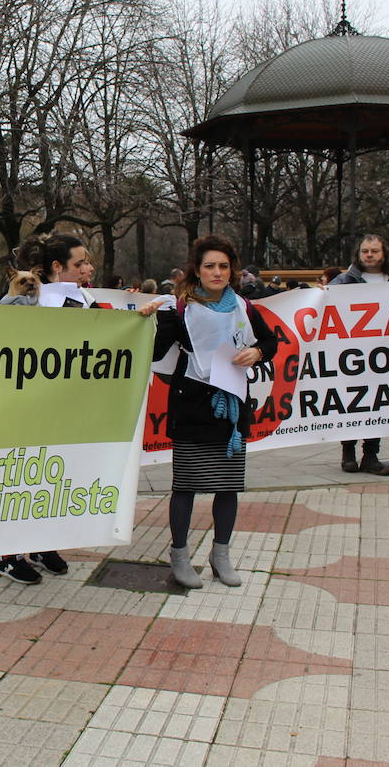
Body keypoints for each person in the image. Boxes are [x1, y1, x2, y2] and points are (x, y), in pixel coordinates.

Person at [139, 235, 277, 589]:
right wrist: (149, 319)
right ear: (196, 271)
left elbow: (270, 341)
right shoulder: (180, 307)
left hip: (231, 409)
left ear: (232, 271)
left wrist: (258, 353)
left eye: (224, 266)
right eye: (209, 266)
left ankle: (221, 555)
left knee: (227, 487)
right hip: (193, 404)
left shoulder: (244, 307)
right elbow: (156, 350)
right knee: (185, 486)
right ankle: (180, 555)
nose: (217, 272)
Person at [0, 232, 93, 584]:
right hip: (25, 404)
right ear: (57, 267)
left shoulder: (82, 299)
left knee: (51, 476)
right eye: (80, 263)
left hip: (60, 404)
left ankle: (40, 543)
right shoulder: (25, 301)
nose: (87, 269)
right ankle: (7, 554)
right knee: (20, 475)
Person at [328, 235, 389, 475]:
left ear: (384, 254)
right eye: (365, 251)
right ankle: (348, 453)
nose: (369, 255)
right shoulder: (343, 281)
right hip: (351, 355)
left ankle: (371, 455)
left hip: (383, 355)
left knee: (379, 403)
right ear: (358, 254)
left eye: (374, 251)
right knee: (350, 403)